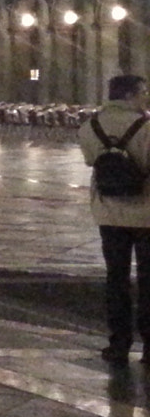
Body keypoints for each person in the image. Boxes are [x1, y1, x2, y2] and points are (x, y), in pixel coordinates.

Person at [78, 73, 150, 364]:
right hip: (146, 214)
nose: (146, 97)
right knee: (148, 280)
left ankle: (118, 343)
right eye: (144, 92)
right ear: (131, 94)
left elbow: (90, 159)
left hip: (108, 212)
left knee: (116, 279)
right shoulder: (147, 127)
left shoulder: (90, 126)